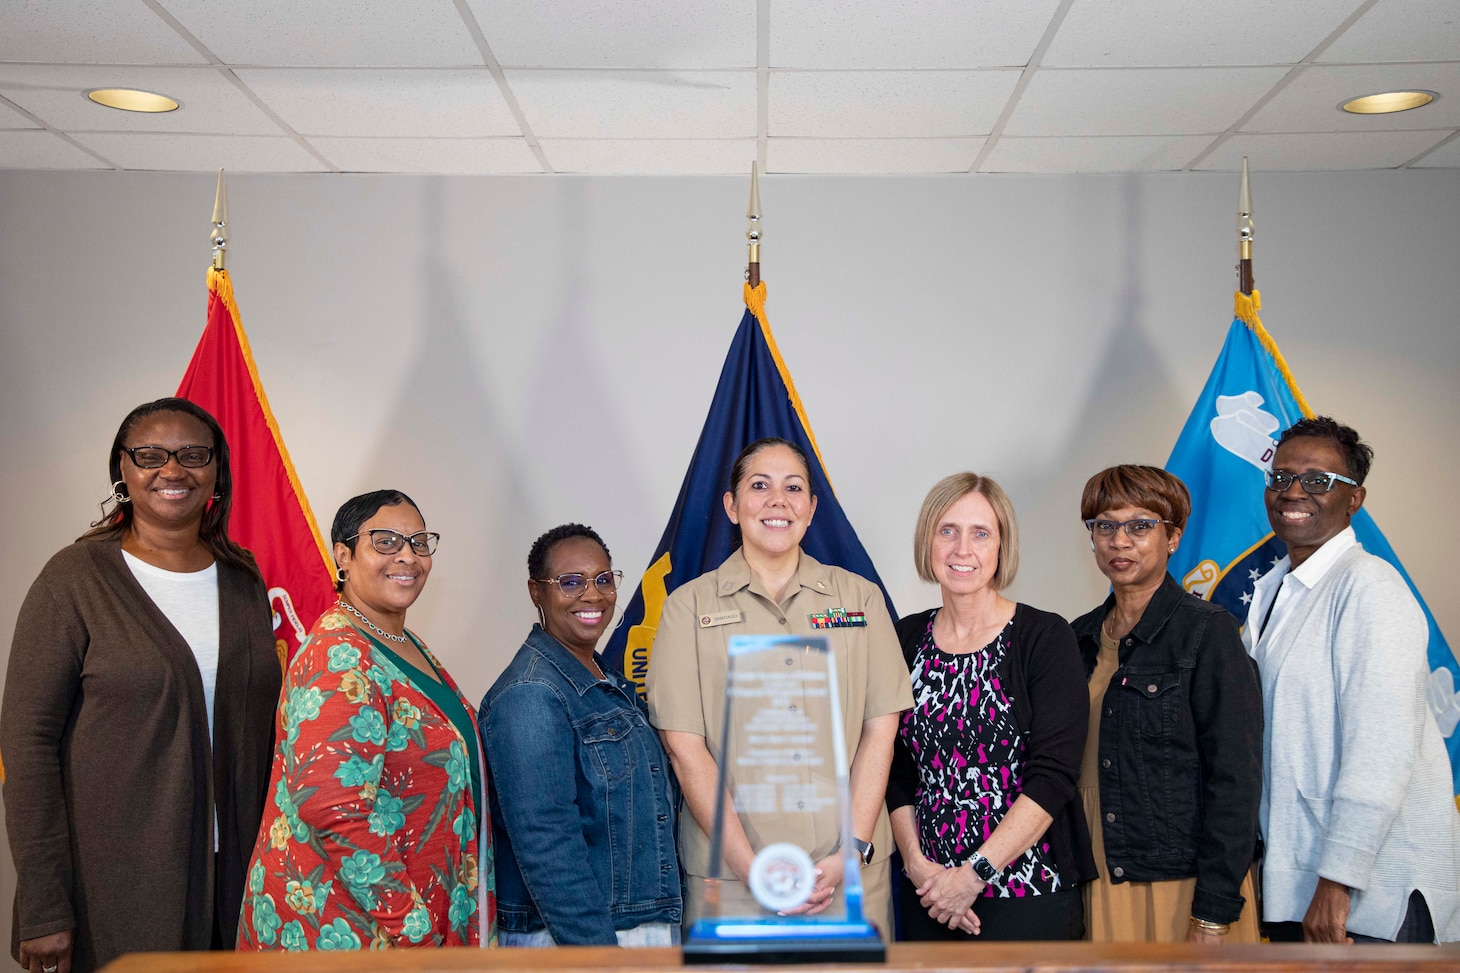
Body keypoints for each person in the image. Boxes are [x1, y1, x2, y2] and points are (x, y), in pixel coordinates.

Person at [1, 398, 280, 973]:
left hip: (237, 887)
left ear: (218, 472)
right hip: (113, 895)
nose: (172, 470)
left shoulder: (244, 577)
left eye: (193, 455)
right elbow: (26, 747)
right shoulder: (73, 579)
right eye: (150, 455)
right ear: (122, 472)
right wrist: (45, 905)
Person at [646, 437, 912, 936]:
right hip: (731, 881)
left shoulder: (860, 600)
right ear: (731, 505)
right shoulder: (686, 608)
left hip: (845, 877)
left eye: (793, 488)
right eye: (759, 485)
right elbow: (686, 750)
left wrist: (850, 851)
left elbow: (881, 731)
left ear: (811, 509)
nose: (777, 501)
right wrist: (754, 870)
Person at [238, 490, 493, 950]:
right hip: (352, 932)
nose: (408, 557)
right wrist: (409, 923)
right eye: (386, 541)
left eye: (419, 542)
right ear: (344, 555)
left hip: (411, 919)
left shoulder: (401, 641)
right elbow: (333, 807)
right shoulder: (339, 655)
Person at [1243, 417, 1460, 944]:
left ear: (1354, 499)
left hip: (1366, 893)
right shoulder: (1275, 590)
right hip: (1297, 882)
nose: (1294, 491)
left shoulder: (1370, 589)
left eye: (1318, 480)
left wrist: (1337, 883)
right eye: (1281, 476)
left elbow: (1380, 752)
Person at [887, 472, 1093, 941]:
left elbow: (1054, 775)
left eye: (981, 533)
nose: (963, 549)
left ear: (1002, 546)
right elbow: (895, 770)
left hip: (1029, 894)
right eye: (947, 531)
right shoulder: (904, 639)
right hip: (929, 897)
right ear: (928, 542)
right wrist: (920, 869)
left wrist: (972, 876)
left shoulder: (1044, 637)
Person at [1070, 465, 1262, 944]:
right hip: (1096, 869)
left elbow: (1236, 780)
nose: (1120, 541)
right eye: (1105, 526)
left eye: (1140, 526)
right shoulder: (1077, 637)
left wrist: (1214, 912)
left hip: (1183, 882)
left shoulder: (1208, 631)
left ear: (1172, 537)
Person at [480, 524, 681, 946]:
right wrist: (598, 955)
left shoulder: (605, 678)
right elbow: (547, 844)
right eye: (570, 582)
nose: (593, 595)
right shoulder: (530, 694)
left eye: (603, 579)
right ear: (537, 592)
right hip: (580, 938)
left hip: (632, 925)